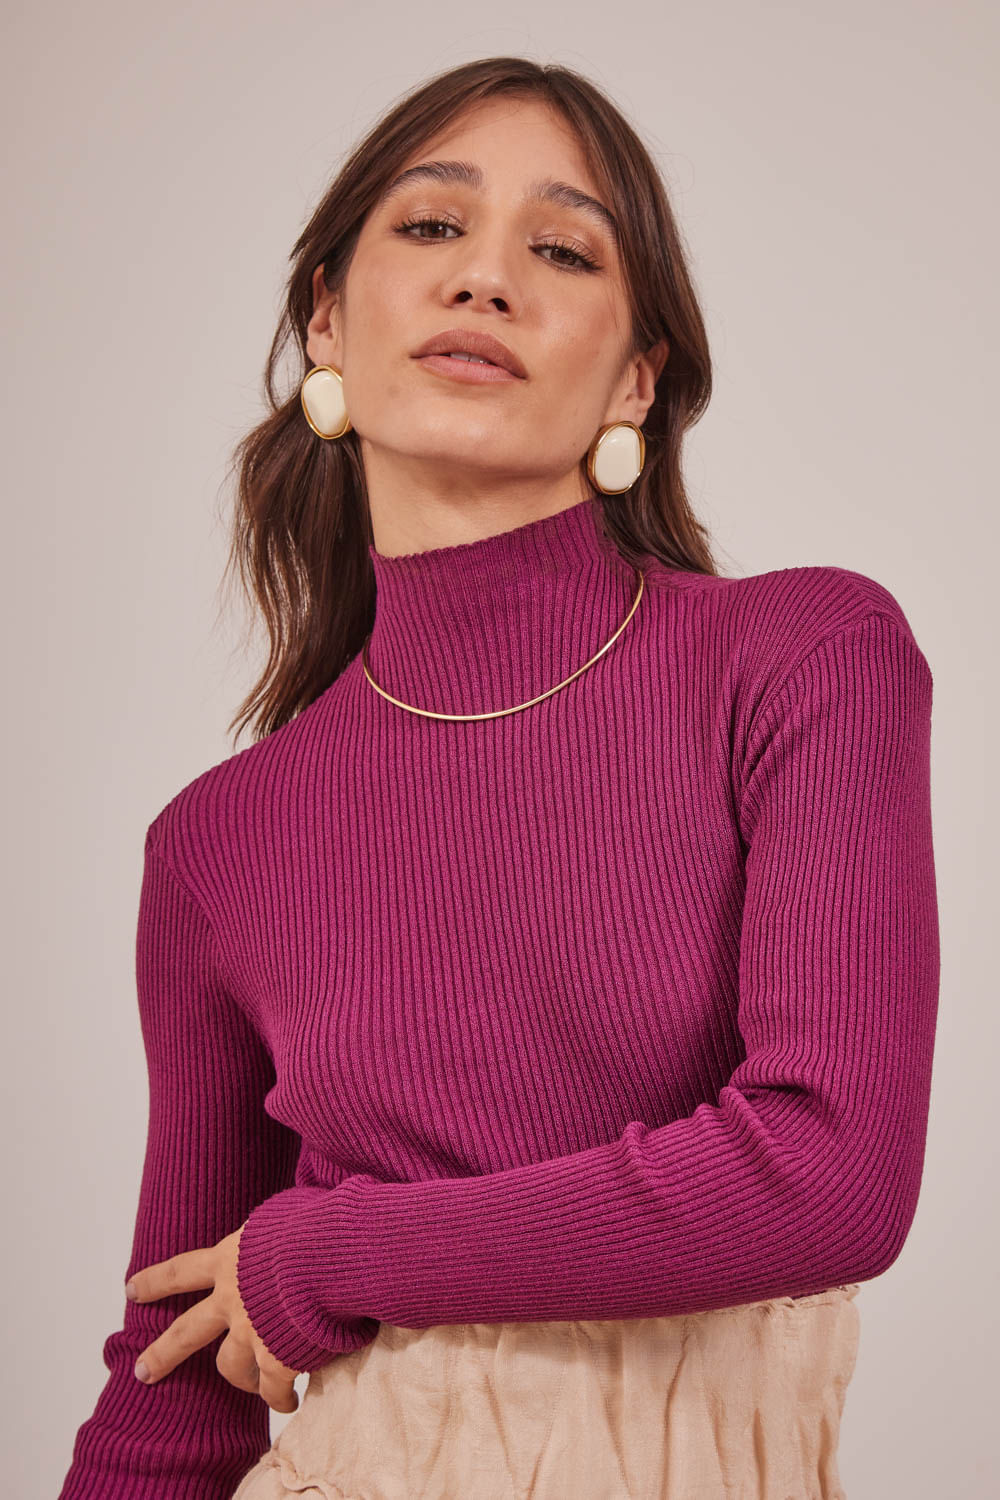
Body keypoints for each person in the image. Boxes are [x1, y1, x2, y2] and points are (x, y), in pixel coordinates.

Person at [58, 55, 939, 1500]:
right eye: (431, 226)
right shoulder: (218, 842)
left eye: (563, 250)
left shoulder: (801, 657)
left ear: (638, 376)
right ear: (327, 319)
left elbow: (830, 1176)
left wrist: (331, 1252)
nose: (484, 278)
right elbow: (173, 1390)